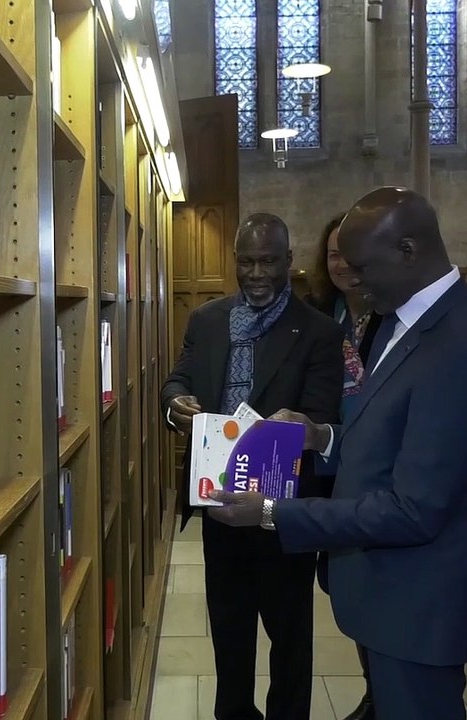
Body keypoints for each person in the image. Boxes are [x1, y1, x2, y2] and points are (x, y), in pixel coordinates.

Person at [207, 187, 467, 720]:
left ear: (409, 251)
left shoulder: (459, 347)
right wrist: (320, 438)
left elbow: (415, 509)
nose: (354, 280)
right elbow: (387, 439)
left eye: (363, 266)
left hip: (420, 606)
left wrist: (274, 512)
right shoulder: (401, 322)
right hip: (386, 595)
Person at [161, 212, 343, 720]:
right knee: (229, 633)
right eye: (246, 261)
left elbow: (324, 418)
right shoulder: (208, 320)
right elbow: (176, 381)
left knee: (290, 642)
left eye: (267, 261)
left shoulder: (318, 333)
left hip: (279, 514)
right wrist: (174, 404)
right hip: (219, 509)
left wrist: (299, 428)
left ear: (288, 262)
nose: (256, 273)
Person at [306, 211, 384, 720]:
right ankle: (373, 688)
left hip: (374, 467)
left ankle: (382, 694)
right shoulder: (321, 314)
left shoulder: (388, 314)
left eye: (348, 252)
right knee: (344, 582)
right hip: (327, 466)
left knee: (374, 582)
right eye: (332, 253)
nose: (341, 263)